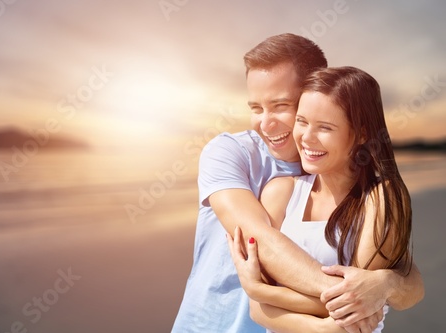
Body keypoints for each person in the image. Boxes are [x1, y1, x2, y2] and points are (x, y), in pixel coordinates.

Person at [172, 34, 424, 333]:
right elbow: (260, 241)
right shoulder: (230, 153)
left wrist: (387, 283)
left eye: (280, 105)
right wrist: (353, 298)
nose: (265, 123)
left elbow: (402, 273)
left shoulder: (368, 193)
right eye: (256, 108)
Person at [228, 66, 418, 332]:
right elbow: (257, 311)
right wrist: (261, 297)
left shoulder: (380, 198)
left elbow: (354, 311)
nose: (306, 137)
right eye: (302, 121)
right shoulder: (280, 192)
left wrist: (259, 289)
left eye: (325, 127)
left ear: (361, 134)